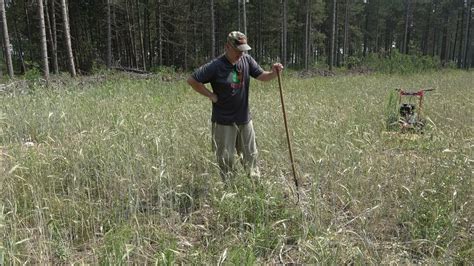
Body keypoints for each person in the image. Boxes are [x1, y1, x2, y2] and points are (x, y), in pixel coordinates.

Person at [187, 31, 284, 181]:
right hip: (224, 122)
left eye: (243, 50)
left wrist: (274, 72)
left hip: (244, 119)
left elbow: (263, 76)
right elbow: (192, 80)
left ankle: (254, 185)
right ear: (227, 47)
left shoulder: (247, 60)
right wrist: (211, 95)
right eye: (238, 50)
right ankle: (229, 187)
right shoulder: (215, 66)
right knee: (226, 159)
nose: (241, 54)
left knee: (251, 156)